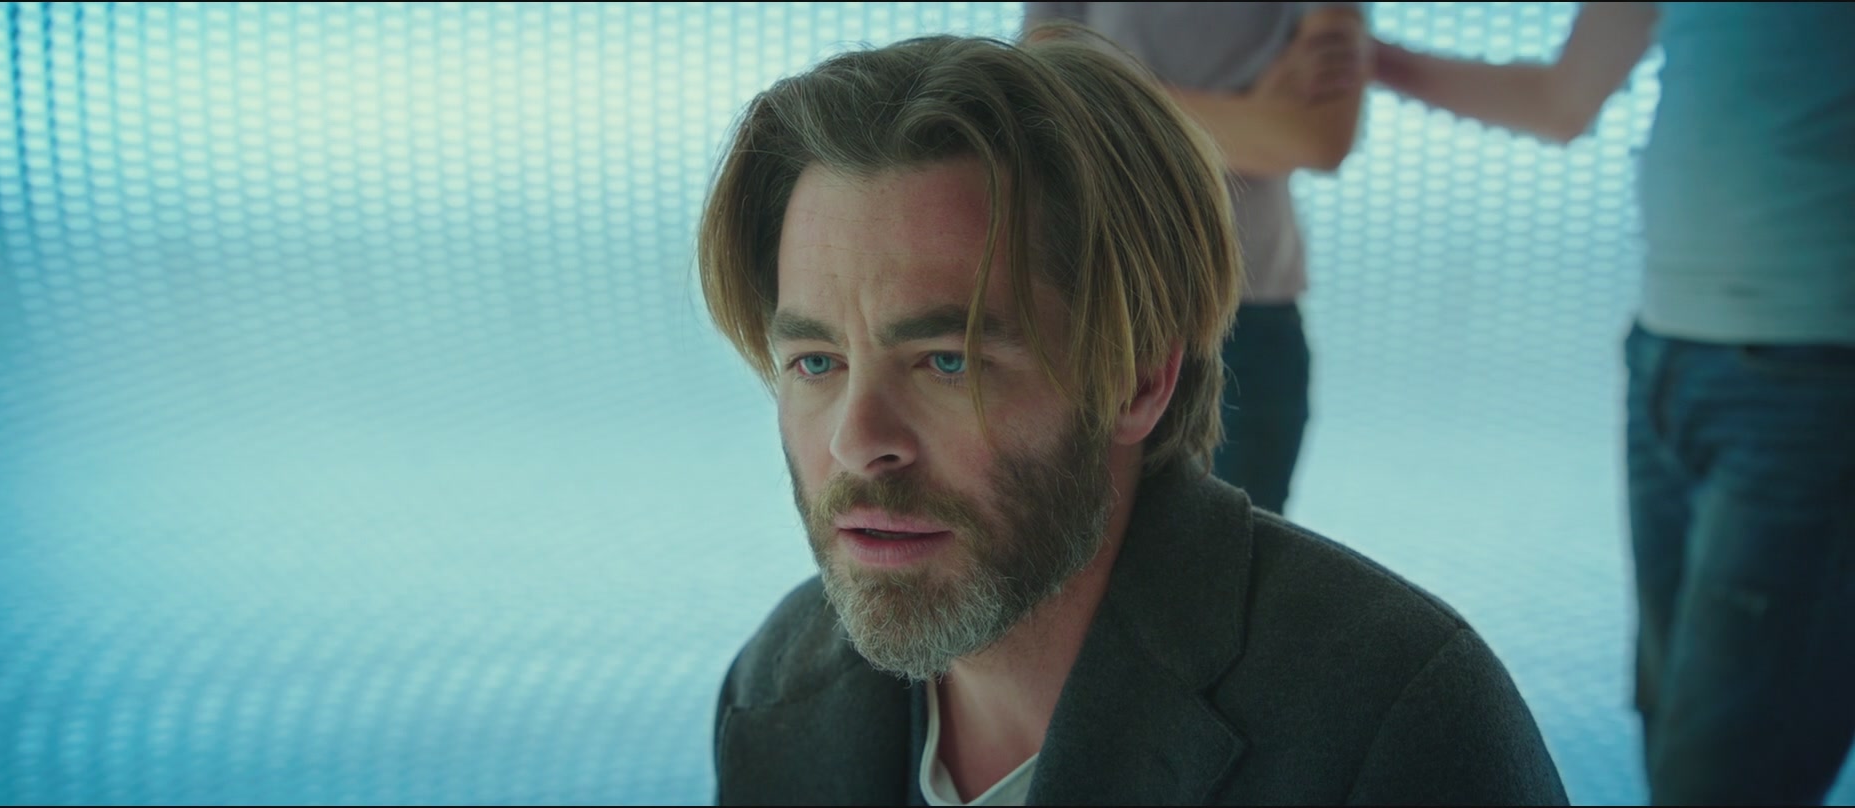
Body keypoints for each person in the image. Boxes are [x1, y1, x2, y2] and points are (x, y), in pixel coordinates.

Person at [698, 28, 1567, 806]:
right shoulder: (776, 692)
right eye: (817, 363)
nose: (858, 441)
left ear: (1137, 377)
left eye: (947, 362)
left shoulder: (1394, 724)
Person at [1369, 3, 1855, 804]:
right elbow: (1562, 101)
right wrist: (1368, 57)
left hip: (1818, 379)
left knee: (1726, 766)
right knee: (1681, 733)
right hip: (1671, 355)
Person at [1023, 2, 1374, 515]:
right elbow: (1046, 102)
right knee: (1079, 540)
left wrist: (1113, 103)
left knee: (1236, 550)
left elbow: (1317, 138)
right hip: (1102, 300)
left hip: (1252, 320)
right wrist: (1259, 115)